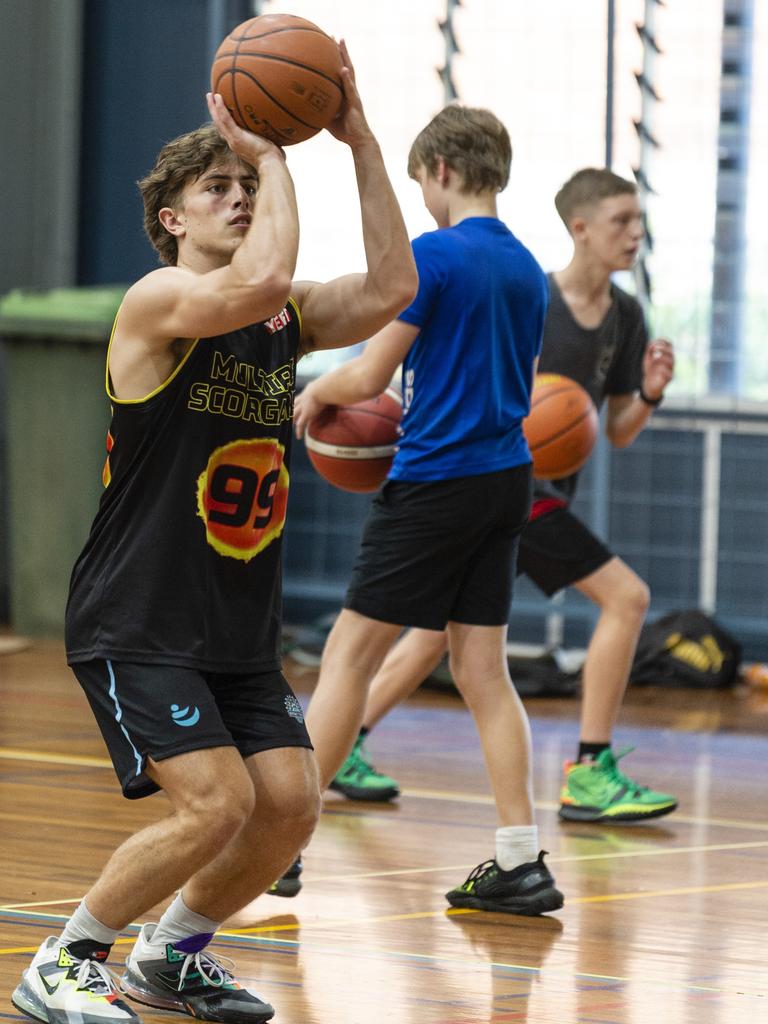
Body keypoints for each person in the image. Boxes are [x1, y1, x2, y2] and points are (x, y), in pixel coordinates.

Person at [12, 42, 417, 1024]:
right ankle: (63, 961)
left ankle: (172, 957)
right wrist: (274, 149)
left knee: (288, 804)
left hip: (233, 620)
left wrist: (358, 138)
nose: (239, 195)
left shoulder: (281, 318)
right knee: (218, 804)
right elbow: (258, 275)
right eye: (218, 185)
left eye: (247, 181)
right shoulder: (160, 305)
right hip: (139, 612)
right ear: (171, 218)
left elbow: (395, 285)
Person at [324, 167, 678, 825]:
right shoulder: (530, 293)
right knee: (627, 598)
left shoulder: (627, 316)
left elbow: (620, 430)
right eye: (621, 221)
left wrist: (651, 392)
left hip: (512, 494)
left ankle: (348, 744)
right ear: (581, 228)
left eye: (638, 221)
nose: (635, 233)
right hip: (513, 479)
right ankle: (591, 769)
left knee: (437, 642)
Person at [291, 104, 564, 917]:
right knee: (483, 672)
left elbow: (372, 377)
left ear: (439, 170)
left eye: (418, 182)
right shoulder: (527, 268)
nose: (421, 198)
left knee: (347, 657)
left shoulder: (434, 257)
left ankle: (282, 843)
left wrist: (314, 391)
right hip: (505, 478)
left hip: (437, 481)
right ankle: (519, 861)